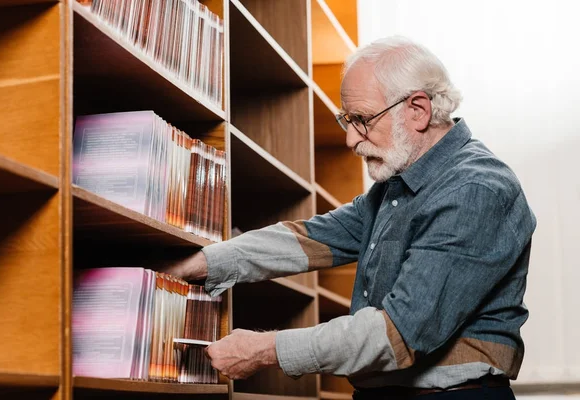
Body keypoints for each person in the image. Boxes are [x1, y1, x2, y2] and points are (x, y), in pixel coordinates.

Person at [163, 36, 536, 399]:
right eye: (347, 120)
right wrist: (202, 263)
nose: (351, 140)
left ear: (418, 110)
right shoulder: (400, 185)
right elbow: (312, 238)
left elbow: (398, 334)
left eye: (361, 119)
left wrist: (265, 349)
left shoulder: (475, 189)